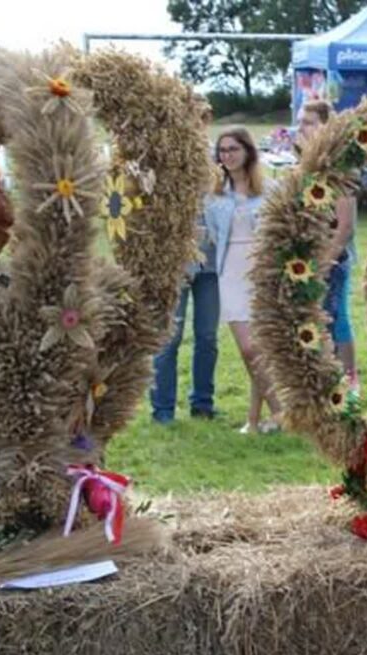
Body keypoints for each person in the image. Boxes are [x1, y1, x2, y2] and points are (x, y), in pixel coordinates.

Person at [205, 127, 282, 433]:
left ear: (248, 151)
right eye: (222, 151)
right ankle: (279, 413)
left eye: (233, 149)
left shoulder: (270, 190)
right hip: (231, 272)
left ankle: (255, 420)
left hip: (262, 270)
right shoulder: (214, 196)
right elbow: (213, 235)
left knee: (258, 349)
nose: (227, 156)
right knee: (248, 349)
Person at [151, 96, 220, 424]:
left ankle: (202, 403)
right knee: (170, 336)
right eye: (193, 119)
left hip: (212, 263)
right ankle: (163, 408)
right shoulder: (164, 161)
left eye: (203, 120)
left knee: (207, 335)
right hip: (175, 263)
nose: (198, 126)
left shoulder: (217, 163)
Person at [297, 99, 360, 395]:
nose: (302, 128)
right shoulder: (303, 165)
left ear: (325, 125)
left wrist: (326, 261)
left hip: (332, 259)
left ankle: (350, 383)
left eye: (308, 122)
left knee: (337, 317)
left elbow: (345, 226)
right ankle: (320, 382)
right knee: (313, 320)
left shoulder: (338, 166)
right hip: (306, 258)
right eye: (300, 122)